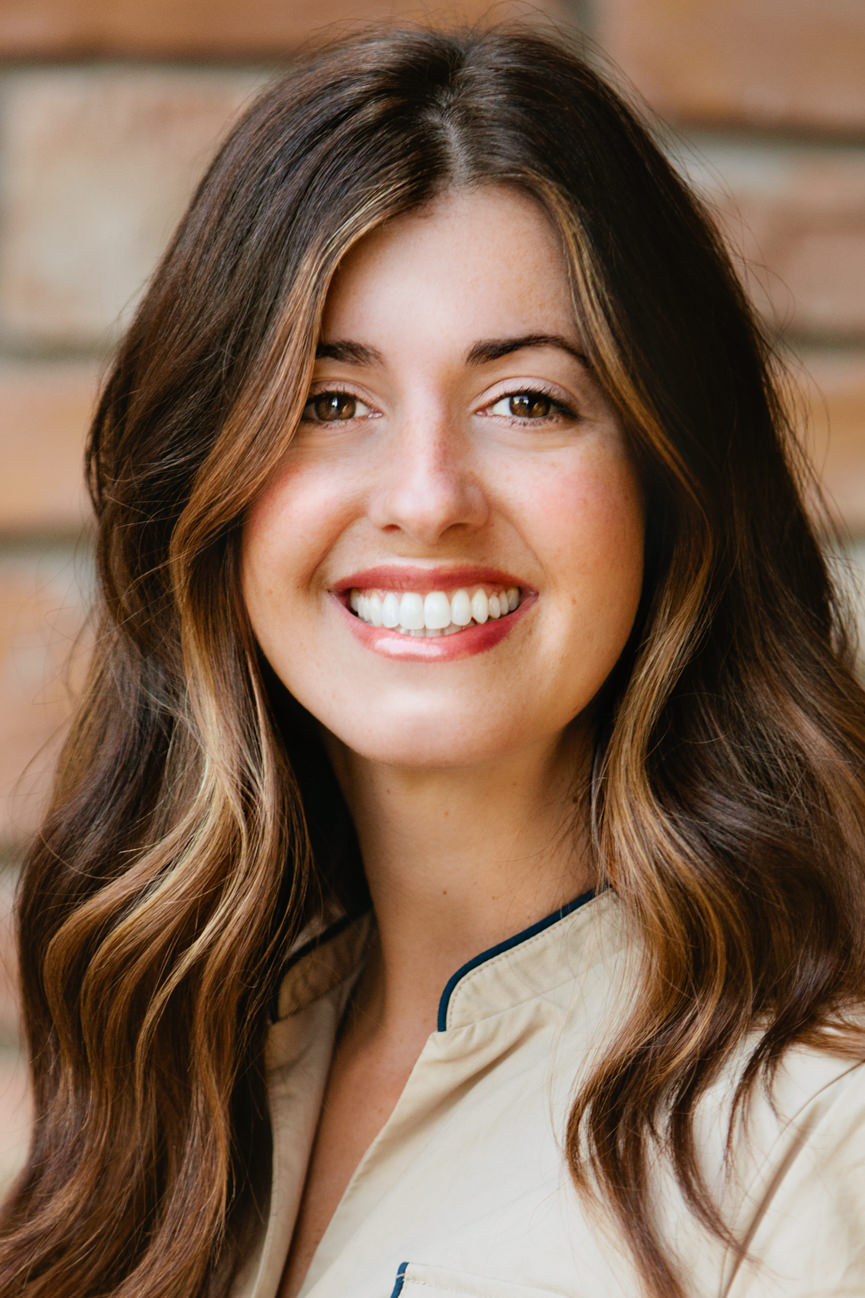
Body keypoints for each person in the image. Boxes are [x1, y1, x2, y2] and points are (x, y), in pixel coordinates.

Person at [2, 23, 865, 1298]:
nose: (424, 497)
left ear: (669, 484)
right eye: (327, 400)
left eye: (528, 401)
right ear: (211, 494)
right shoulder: (179, 1083)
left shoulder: (810, 1142)